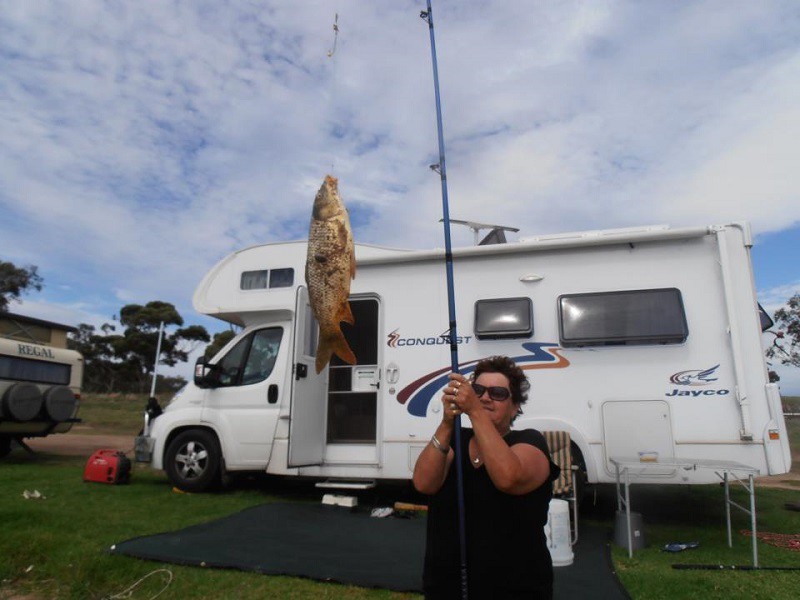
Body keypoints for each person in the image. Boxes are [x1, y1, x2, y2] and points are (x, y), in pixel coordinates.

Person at [413, 355, 560, 600]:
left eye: (498, 393)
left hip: (514, 590)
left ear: (515, 406)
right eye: (478, 390)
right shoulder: (456, 439)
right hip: (447, 587)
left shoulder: (530, 442)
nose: (485, 398)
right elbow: (423, 483)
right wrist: (447, 422)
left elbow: (508, 478)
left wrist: (475, 410)